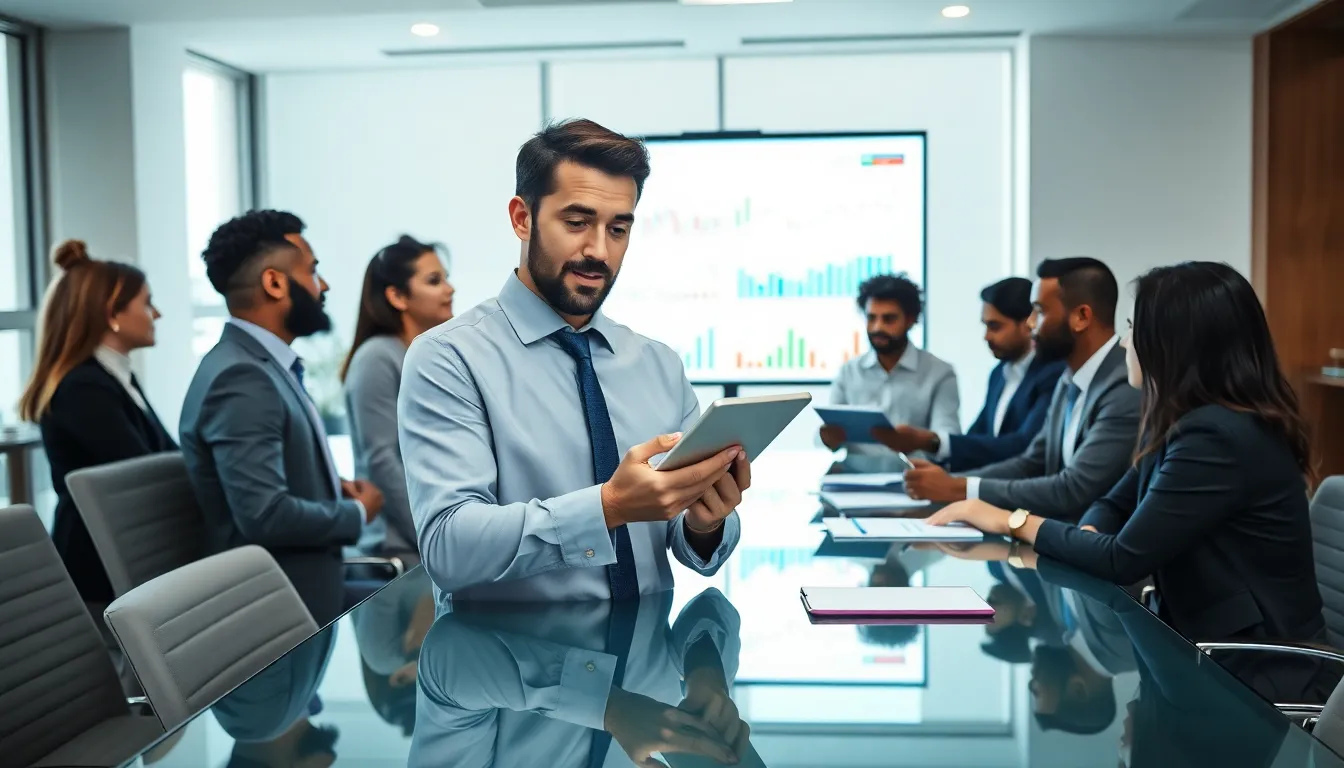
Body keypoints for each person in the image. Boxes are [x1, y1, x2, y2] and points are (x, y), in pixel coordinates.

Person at [399, 119, 748, 602]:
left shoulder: (659, 365)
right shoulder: (448, 359)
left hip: (647, 665)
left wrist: (705, 522)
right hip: (506, 664)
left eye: (618, 228)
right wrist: (608, 507)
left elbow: (688, 545)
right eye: (577, 222)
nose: (598, 251)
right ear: (522, 218)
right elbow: (447, 548)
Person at [927, 261, 1325, 642]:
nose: (1125, 340)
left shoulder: (1216, 438)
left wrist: (1008, 520)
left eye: (1133, 327)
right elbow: (1111, 502)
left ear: (1173, 343)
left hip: (1253, 670)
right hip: (1198, 644)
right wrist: (1090, 532)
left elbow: (1122, 559)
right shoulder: (1183, 423)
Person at [180, 210, 385, 625]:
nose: (323, 285)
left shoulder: (259, 366)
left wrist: (328, 487)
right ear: (274, 283)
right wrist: (359, 513)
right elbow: (265, 516)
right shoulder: (242, 377)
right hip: (281, 613)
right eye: (312, 271)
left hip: (305, 592)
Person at [903, 257, 1139, 522]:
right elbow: (1031, 463)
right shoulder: (1069, 378)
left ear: (1082, 317)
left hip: (1097, 549)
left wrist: (960, 488)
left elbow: (1073, 488)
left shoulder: (1124, 386)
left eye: (1039, 311)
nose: (1030, 323)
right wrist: (949, 482)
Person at [19, 239, 176, 607]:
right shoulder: (83, 386)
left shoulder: (115, 377)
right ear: (112, 314)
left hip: (124, 552)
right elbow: (147, 471)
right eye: (147, 302)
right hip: (99, 567)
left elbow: (168, 456)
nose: (157, 314)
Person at [341, 235, 455, 566]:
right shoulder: (377, 357)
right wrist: (433, 535)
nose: (450, 289)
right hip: (401, 549)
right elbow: (382, 460)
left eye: (446, 278)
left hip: (431, 540)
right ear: (396, 296)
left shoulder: (425, 355)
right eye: (434, 280)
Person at [872, 277, 1065, 472]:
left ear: (1027, 324)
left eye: (995, 326)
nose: (986, 336)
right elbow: (978, 440)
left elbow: (1024, 446)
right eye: (985, 325)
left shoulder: (1054, 375)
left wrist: (931, 441)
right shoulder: (1000, 373)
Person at [818, 273, 960, 461]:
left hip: (917, 479)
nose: (877, 327)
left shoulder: (940, 373)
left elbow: (948, 438)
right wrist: (828, 438)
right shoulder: (849, 372)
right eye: (871, 318)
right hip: (855, 480)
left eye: (889, 319)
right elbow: (828, 437)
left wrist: (919, 440)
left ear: (910, 320)